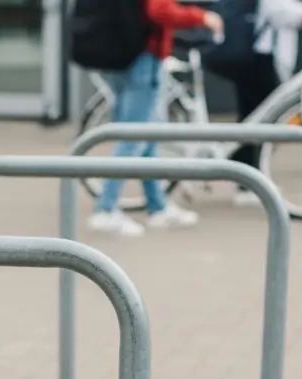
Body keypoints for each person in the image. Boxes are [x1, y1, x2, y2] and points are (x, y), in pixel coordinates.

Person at [90, 0, 224, 236]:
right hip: (142, 58)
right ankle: (106, 208)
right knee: (133, 137)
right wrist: (201, 17)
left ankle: (157, 206)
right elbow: (160, 10)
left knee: (148, 135)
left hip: (119, 54)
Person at [226, 0, 302, 206]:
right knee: (259, 122)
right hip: (259, 59)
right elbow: (277, 8)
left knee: (258, 120)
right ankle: (247, 180)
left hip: (261, 57)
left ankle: (249, 176)